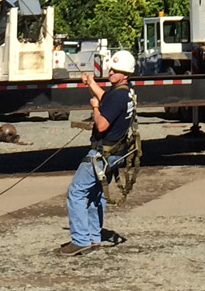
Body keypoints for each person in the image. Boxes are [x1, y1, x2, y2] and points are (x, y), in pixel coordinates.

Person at [60, 49, 136, 256]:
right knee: (96, 194)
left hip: (102, 153)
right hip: (116, 153)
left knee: (76, 192)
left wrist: (94, 107)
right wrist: (91, 83)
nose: (111, 72)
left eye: (116, 70)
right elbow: (107, 100)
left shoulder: (118, 96)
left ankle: (80, 240)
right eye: (111, 68)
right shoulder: (126, 91)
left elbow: (101, 124)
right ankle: (93, 237)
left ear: (125, 74)